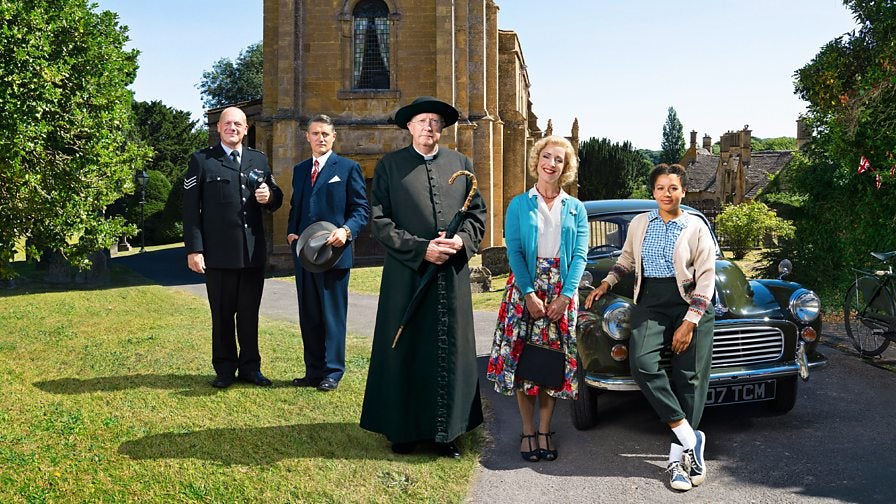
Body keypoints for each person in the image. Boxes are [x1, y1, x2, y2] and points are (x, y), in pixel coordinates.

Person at [359, 96, 486, 458]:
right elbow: (380, 222)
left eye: (434, 122)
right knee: (406, 348)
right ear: (409, 127)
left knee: (449, 349)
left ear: (441, 128)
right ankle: (403, 430)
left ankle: (447, 434)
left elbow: (478, 216)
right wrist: (421, 249)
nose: (428, 127)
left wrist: (460, 242)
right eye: (421, 121)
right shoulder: (390, 166)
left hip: (451, 275)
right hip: (406, 274)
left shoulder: (461, 164)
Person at [585, 163, 715, 492]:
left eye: (673, 188)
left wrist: (690, 322)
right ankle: (691, 438)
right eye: (660, 188)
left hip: (690, 303)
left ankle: (678, 461)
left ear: (683, 191)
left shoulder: (695, 225)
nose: (666, 193)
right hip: (651, 302)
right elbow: (627, 259)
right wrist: (608, 282)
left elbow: (707, 276)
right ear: (653, 191)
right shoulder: (642, 223)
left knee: (689, 378)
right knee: (642, 363)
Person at [486, 135, 588, 463]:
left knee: (551, 363)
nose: (552, 163)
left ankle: (546, 430)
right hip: (524, 291)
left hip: (561, 290)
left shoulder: (575, 209)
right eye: (547, 156)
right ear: (537, 161)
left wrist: (565, 296)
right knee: (522, 362)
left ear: (565, 167)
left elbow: (581, 256)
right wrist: (529, 293)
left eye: (559, 159)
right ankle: (527, 430)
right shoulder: (518, 204)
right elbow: (514, 250)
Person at [183, 106, 283, 389]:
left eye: (238, 124)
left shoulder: (258, 160)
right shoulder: (202, 160)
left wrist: (269, 196)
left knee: (250, 314)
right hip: (218, 254)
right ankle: (225, 369)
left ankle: (251, 368)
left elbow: (276, 198)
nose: (232, 128)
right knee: (223, 315)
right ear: (218, 128)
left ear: (246, 129)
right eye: (227, 124)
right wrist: (194, 249)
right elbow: (191, 210)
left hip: (252, 254)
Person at [286, 114, 370, 392]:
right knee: (308, 315)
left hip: (335, 255)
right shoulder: (299, 170)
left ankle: (332, 372)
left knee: (332, 316)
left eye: (325, 134)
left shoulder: (347, 168)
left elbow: (361, 210)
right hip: (305, 256)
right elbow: (295, 207)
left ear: (334, 137)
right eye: (315, 133)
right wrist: (291, 232)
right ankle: (312, 371)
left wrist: (346, 231)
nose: (320, 138)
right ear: (307, 137)